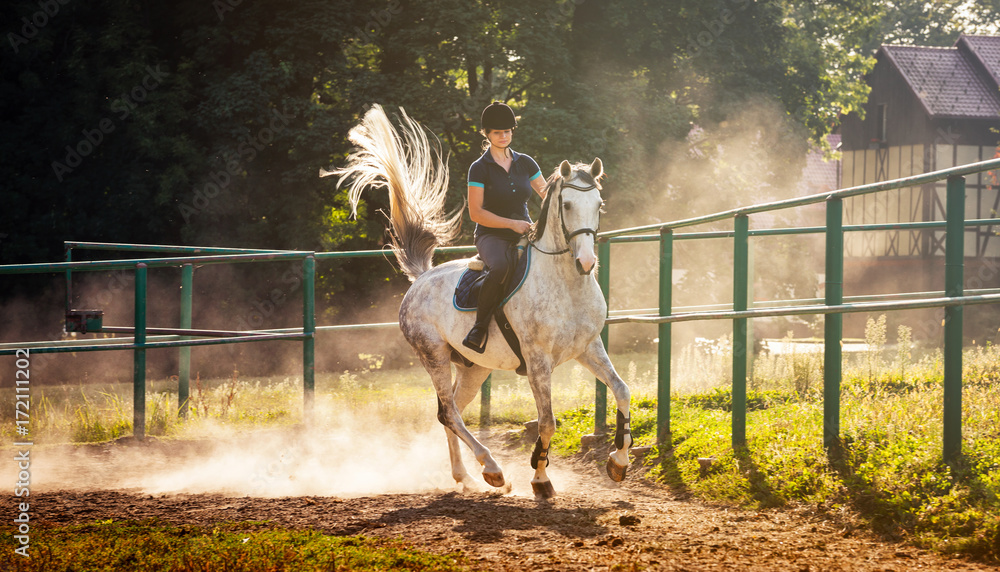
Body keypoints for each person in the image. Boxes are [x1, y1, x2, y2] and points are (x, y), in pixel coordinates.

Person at [463, 101, 548, 353]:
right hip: (491, 235)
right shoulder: (479, 168)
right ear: (486, 134)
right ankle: (479, 327)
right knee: (500, 266)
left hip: (525, 230)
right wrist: (513, 224)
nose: (504, 136)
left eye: (508, 131)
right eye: (498, 132)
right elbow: (475, 212)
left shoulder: (526, 163)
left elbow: (547, 194)